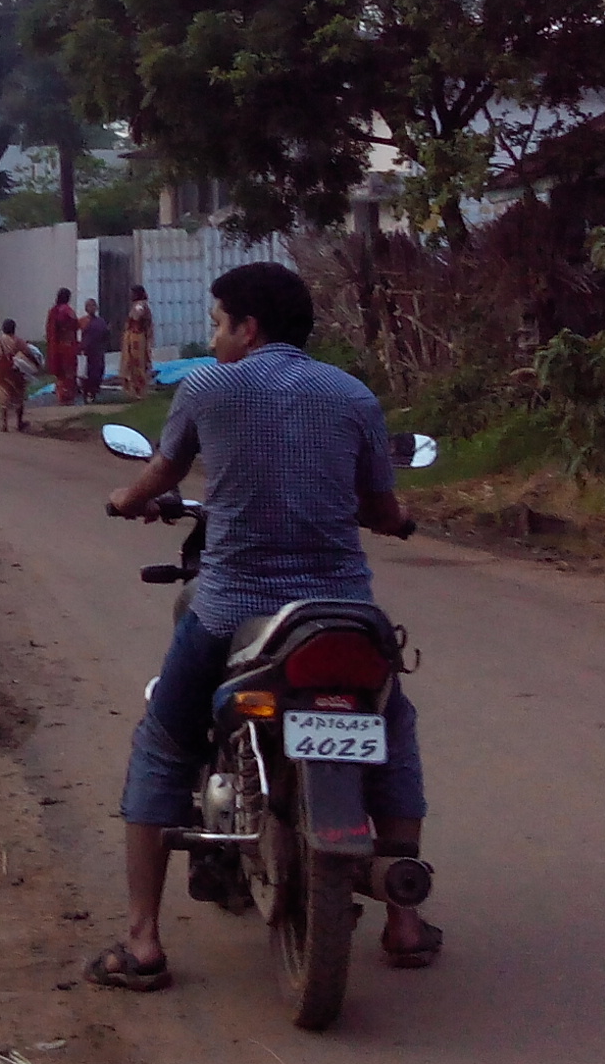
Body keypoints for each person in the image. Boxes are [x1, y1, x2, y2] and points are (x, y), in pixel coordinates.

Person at [86, 261, 436, 992]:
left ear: (248, 327)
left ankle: (143, 942)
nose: (214, 341)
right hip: (340, 615)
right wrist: (400, 521)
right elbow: (379, 506)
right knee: (392, 730)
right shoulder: (353, 395)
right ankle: (404, 924)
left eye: (218, 325)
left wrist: (125, 500)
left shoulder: (209, 388)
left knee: (164, 740)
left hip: (234, 608)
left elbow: (162, 477)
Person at [0, 318, 45, 431]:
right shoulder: (17, 341)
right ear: (14, 329)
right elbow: (28, 352)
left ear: (3, 329)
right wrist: (36, 363)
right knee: (19, 396)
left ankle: (4, 424)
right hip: (12, 371)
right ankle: (19, 423)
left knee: (3, 397)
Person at [116, 287, 156, 397]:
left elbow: (136, 317)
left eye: (132, 293)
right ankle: (133, 390)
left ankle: (138, 389)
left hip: (137, 337)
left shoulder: (140, 305)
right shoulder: (138, 305)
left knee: (137, 362)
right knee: (130, 362)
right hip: (132, 336)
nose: (130, 296)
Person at [44, 288, 82, 402]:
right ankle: (68, 395)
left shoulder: (53, 311)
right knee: (69, 371)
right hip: (68, 345)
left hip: (56, 345)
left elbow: (49, 330)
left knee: (60, 372)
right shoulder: (67, 310)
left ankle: (61, 394)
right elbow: (76, 324)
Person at [79, 295, 113, 400]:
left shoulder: (100, 321)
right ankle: (87, 391)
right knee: (88, 372)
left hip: (99, 350)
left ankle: (95, 390)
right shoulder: (83, 321)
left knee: (99, 370)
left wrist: (108, 330)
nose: (92, 308)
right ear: (86, 308)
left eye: (93, 305)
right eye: (89, 306)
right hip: (88, 350)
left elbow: (105, 334)